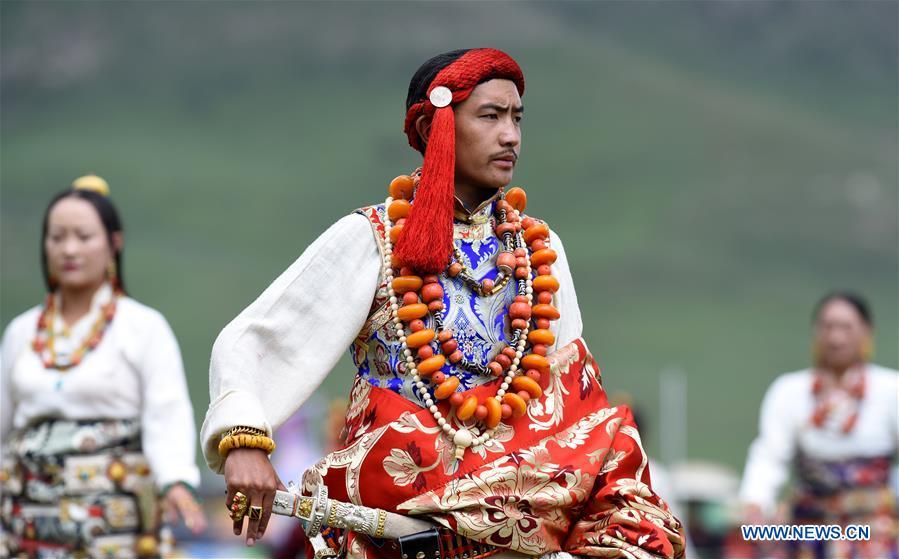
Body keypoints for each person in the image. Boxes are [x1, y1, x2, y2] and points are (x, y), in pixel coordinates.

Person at [203, 49, 684, 559]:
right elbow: (259, 338)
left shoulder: (540, 253)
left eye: (517, 118)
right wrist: (245, 442)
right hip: (394, 528)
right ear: (439, 128)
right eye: (491, 116)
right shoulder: (374, 238)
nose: (511, 136)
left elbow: (569, 403)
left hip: (516, 533)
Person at [0, 176, 206, 558]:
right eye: (57, 237)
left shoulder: (143, 327)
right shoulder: (21, 332)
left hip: (117, 526)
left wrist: (175, 481)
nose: (69, 249)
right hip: (27, 523)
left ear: (114, 243)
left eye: (83, 236)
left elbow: (168, 412)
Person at [737, 291, 898, 558]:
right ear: (816, 332)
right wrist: (755, 504)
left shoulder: (891, 389)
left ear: (867, 332)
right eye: (828, 327)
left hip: (874, 530)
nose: (836, 338)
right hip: (809, 529)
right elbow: (769, 457)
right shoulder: (789, 391)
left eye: (846, 327)